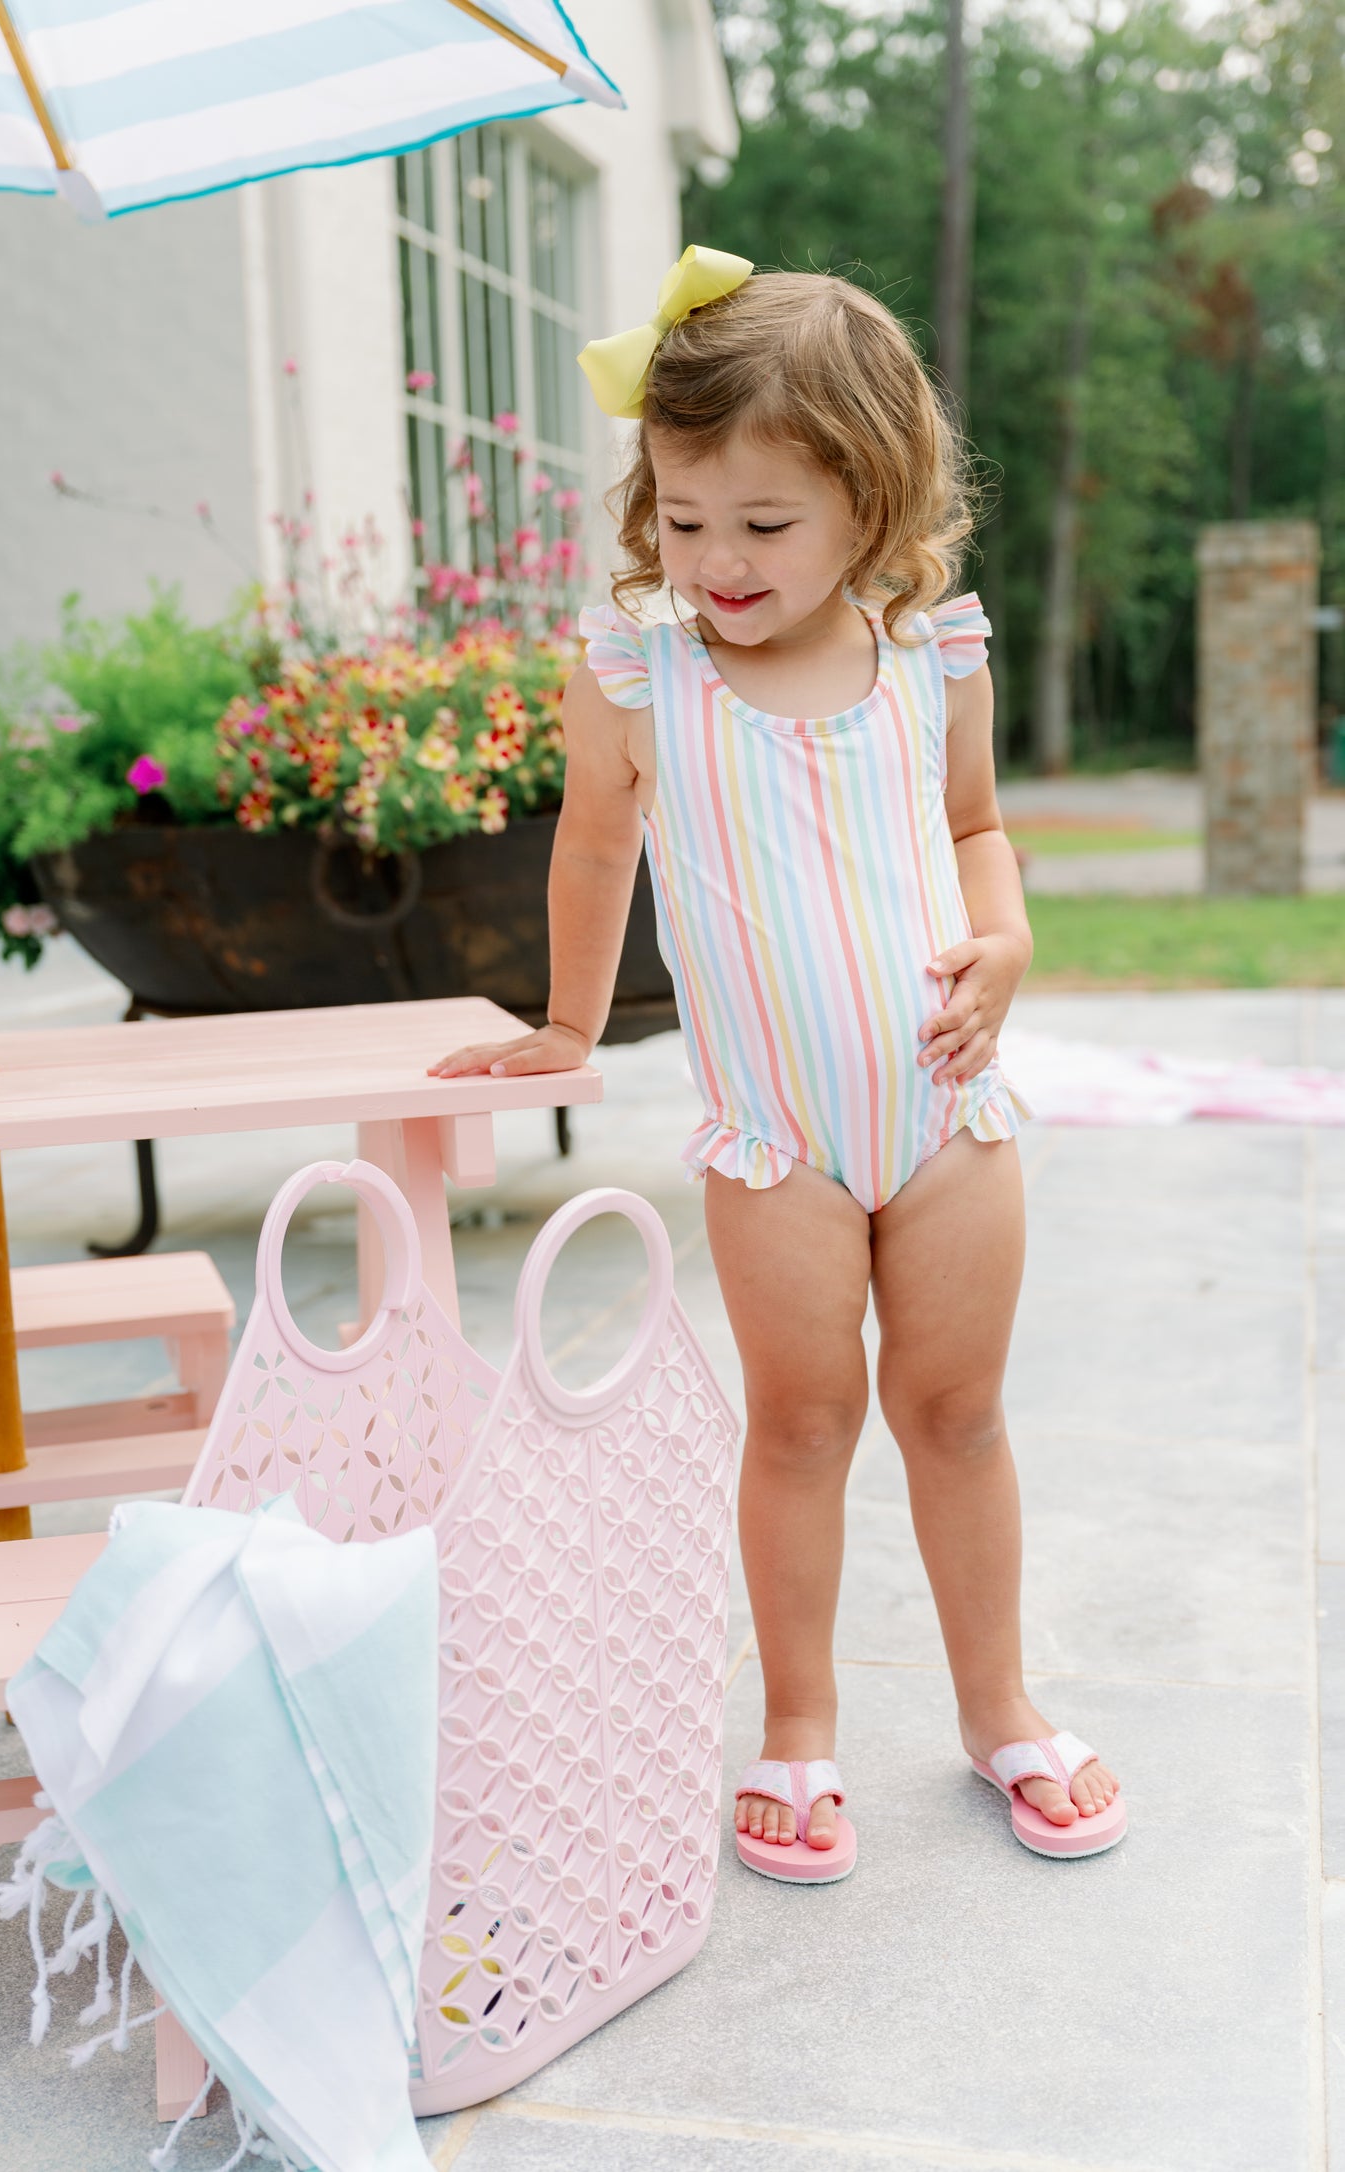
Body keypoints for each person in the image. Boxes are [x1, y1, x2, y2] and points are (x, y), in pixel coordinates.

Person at [431, 249, 1125, 1880]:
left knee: (953, 1415)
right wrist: (566, 1025)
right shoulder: (639, 678)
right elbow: (593, 857)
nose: (716, 560)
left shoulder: (927, 655)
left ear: (869, 507)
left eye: (763, 526)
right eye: (683, 520)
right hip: (775, 1142)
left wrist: (1006, 943)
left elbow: (972, 831)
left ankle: (999, 1707)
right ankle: (799, 1729)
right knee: (800, 1423)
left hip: (946, 1111)